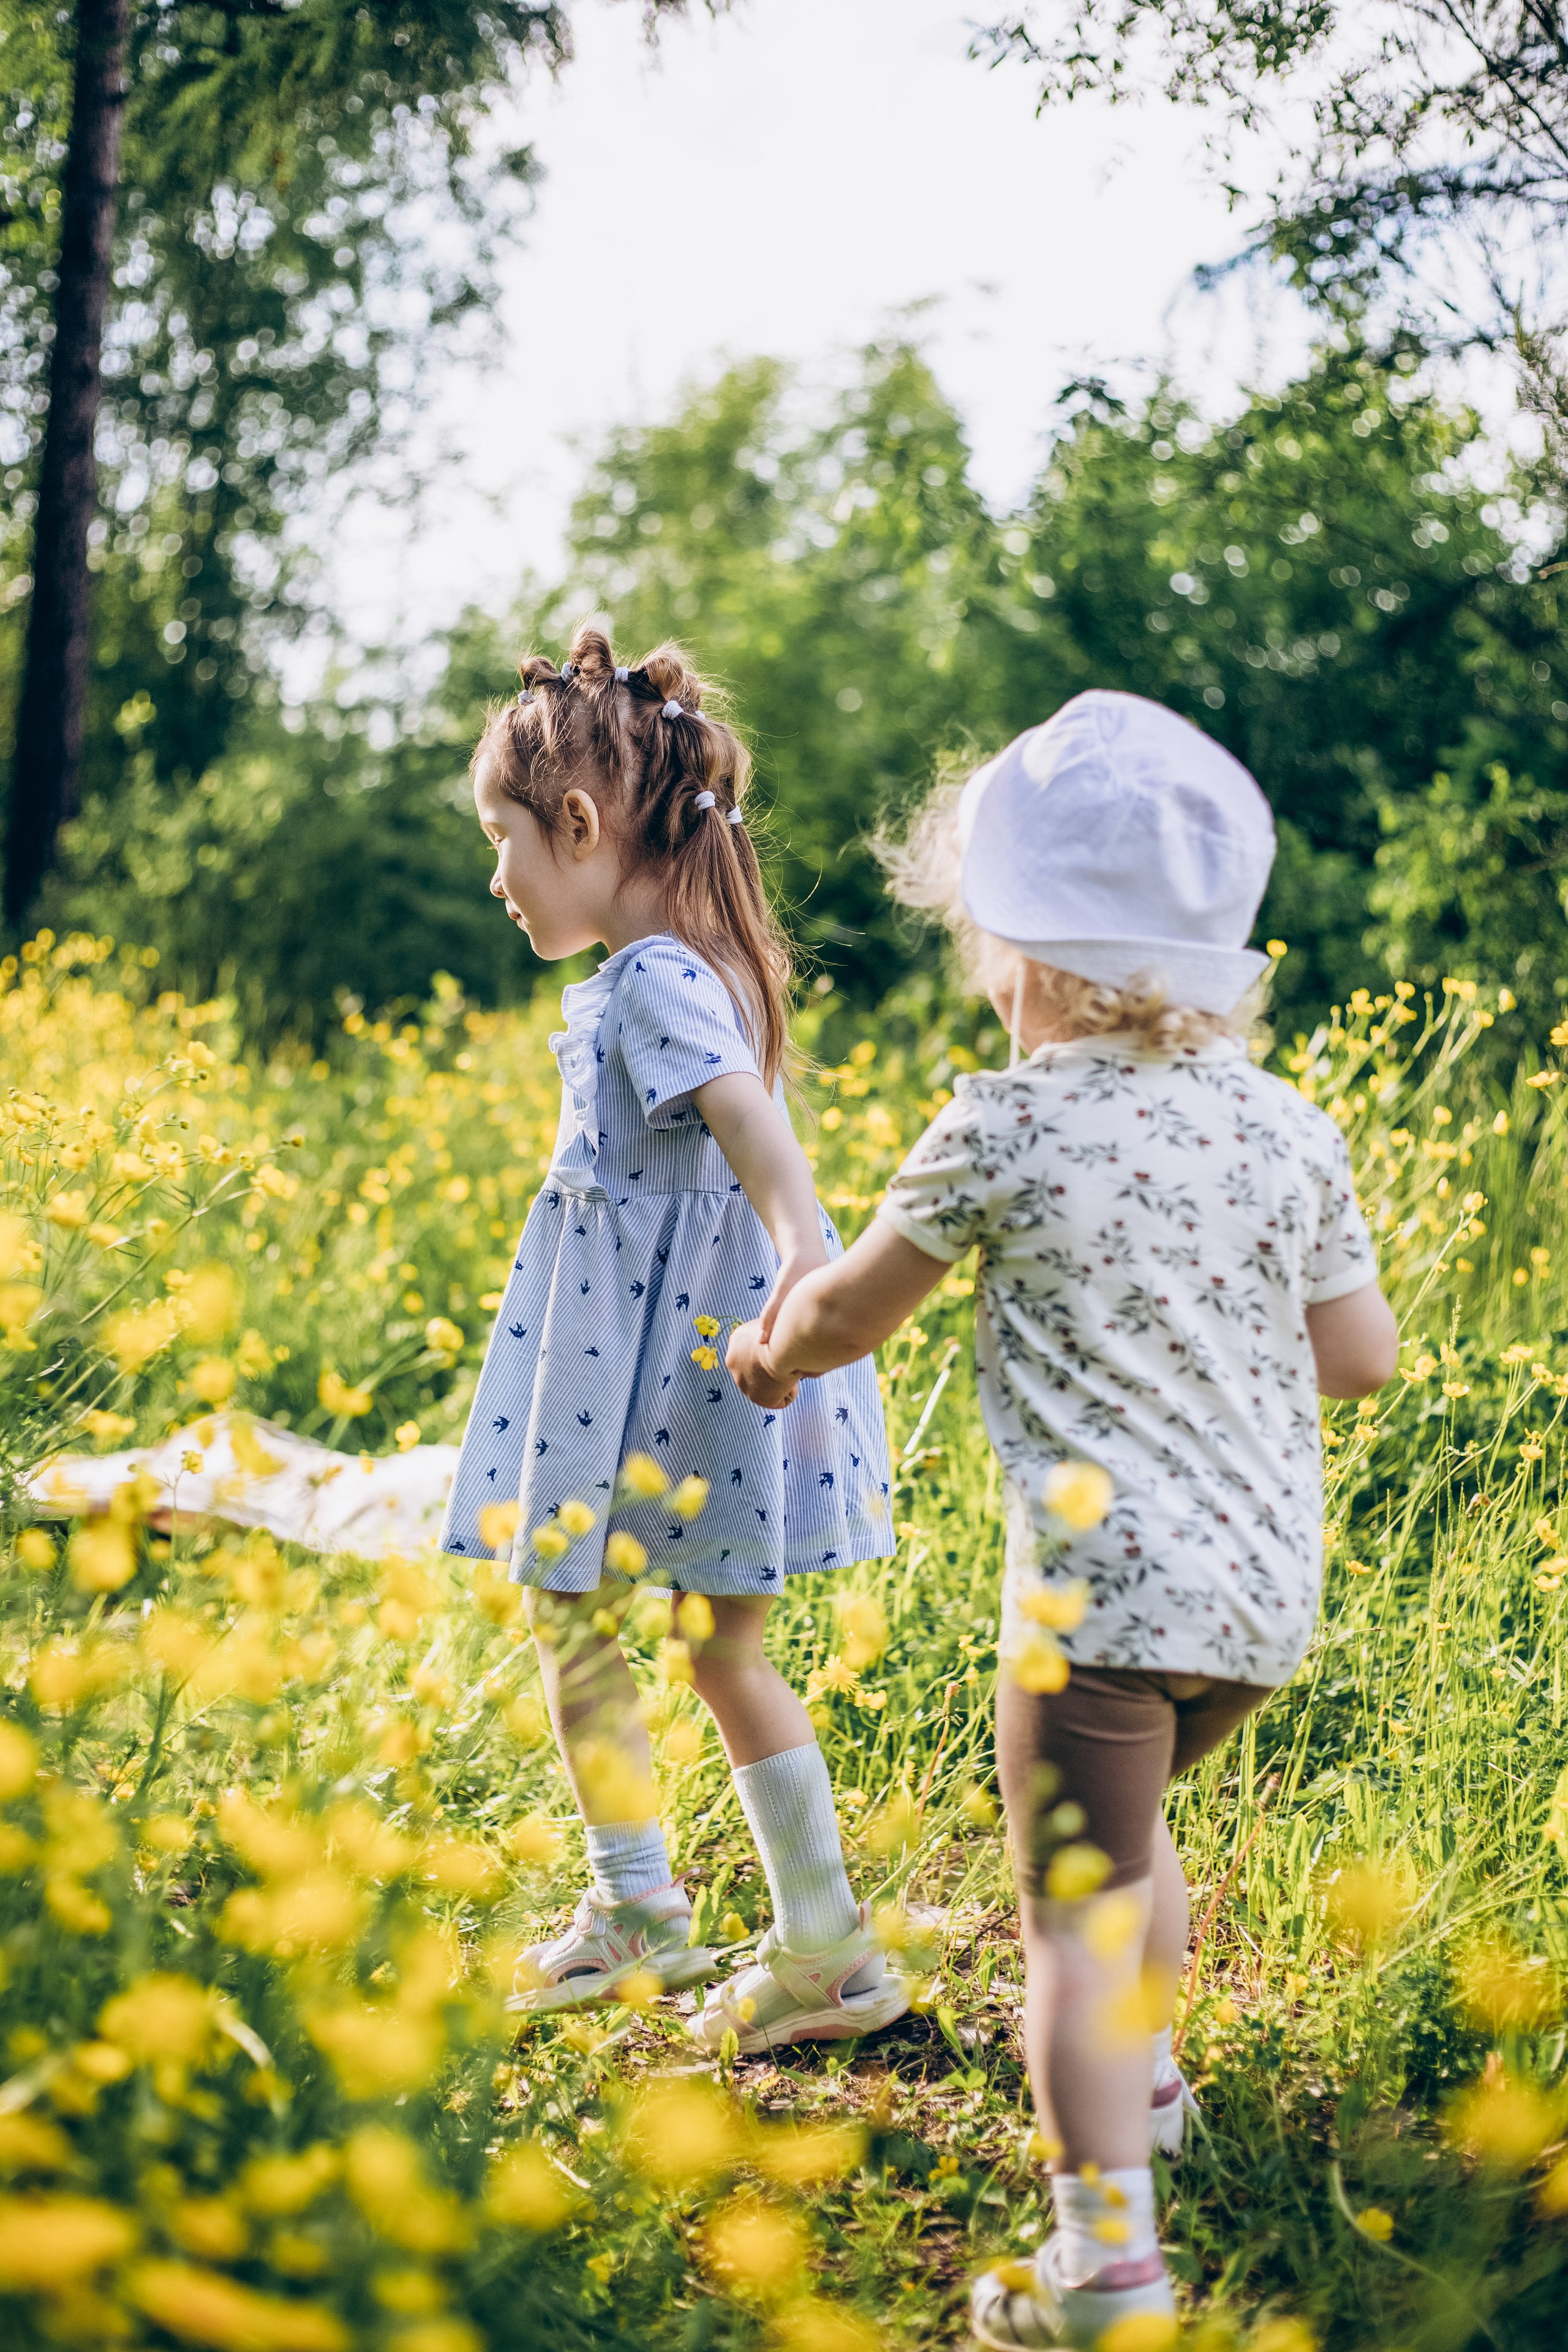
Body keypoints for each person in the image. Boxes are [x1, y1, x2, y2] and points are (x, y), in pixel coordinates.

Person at [726, 690, 1397, 2347]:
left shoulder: (1003, 1122)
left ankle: (1107, 2265)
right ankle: (1149, 2087)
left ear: (1016, 953)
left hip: (1096, 1611)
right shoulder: (1287, 1123)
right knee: (1134, 1843)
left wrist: (766, 1349)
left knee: (1070, 1925)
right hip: (1257, 1607)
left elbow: (844, 1319)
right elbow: (1362, 1363)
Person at [440, 623, 908, 2054]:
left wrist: (801, 1245)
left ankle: (650, 1907)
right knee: (718, 1650)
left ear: (578, 825)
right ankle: (816, 1941)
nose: (501, 876)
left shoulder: (652, 977)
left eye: (504, 840)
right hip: (663, 1367)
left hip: (657, 1370)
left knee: (576, 1620)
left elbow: (750, 1128)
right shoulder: (697, 959)